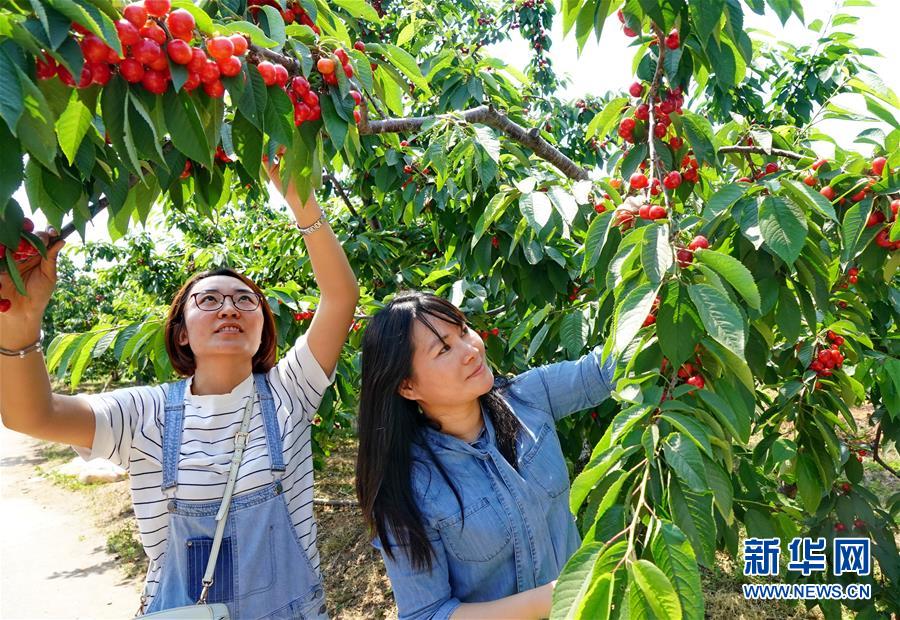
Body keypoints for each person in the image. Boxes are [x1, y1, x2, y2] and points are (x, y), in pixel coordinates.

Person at [0, 160, 359, 619]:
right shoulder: (146, 412)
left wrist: (299, 195)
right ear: (182, 331)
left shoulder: (290, 391)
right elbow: (31, 416)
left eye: (245, 300)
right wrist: (21, 322)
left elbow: (340, 296)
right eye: (208, 300)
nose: (229, 307)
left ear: (262, 327)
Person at [355, 291, 616, 620]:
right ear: (408, 386)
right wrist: (559, 594)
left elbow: (603, 370)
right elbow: (427, 614)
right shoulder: (407, 488)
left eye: (464, 330)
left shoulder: (526, 398)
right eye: (444, 348)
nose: (471, 350)